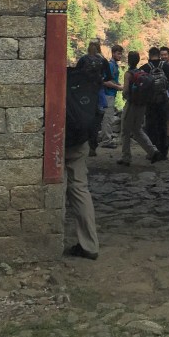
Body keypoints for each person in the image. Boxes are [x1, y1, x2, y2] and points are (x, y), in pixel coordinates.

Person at [64, 60, 101, 260]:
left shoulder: (65, 78)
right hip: (79, 142)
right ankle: (90, 245)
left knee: (56, 186)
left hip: (57, 139)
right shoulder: (91, 85)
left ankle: (49, 237)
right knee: (80, 189)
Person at [118, 50, 162, 166]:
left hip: (132, 104)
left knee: (125, 130)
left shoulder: (128, 74)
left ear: (128, 60)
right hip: (142, 105)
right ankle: (153, 151)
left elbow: (126, 90)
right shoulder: (141, 71)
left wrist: (124, 95)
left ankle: (126, 157)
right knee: (137, 129)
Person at [76, 39, 112, 156]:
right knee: (96, 123)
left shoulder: (83, 59)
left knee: (84, 120)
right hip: (99, 94)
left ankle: (81, 145)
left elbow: (76, 74)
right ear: (99, 48)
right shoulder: (103, 60)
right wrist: (100, 80)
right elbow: (109, 77)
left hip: (85, 95)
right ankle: (93, 147)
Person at [142, 46, 169, 160]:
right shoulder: (167, 67)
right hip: (163, 101)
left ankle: (153, 152)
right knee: (163, 126)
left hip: (150, 102)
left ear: (149, 55)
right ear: (159, 55)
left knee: (151, 126)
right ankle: (164, 152)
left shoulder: (144, 68)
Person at [98, 43, 124, 148]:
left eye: (121, 54)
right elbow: (105, 81)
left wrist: (118, 84)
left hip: (110, 94)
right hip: (107, 94)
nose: (120, 56)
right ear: (113, 53)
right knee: (107, 118)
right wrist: (118, 87)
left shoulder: (114, 65)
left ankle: (105, 138)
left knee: (107, 117)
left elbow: (112, 80)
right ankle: (106, 141)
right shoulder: (110, 65)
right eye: (118, 53)